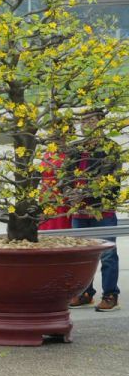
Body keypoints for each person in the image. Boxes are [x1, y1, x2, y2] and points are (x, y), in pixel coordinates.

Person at [68, 107, 121, 312]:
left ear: (101, 121)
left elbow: (109, 179)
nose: (85, 124)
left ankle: (110, 294)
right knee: (81, 255)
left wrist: (85, 192)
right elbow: (65, 176)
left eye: (90, 120)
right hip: (79, 211)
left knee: (107, 254)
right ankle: (84, 292)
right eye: (83, 121)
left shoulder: (111, 148)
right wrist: (70, 193)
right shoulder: (75, 149)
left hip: (102, 209)